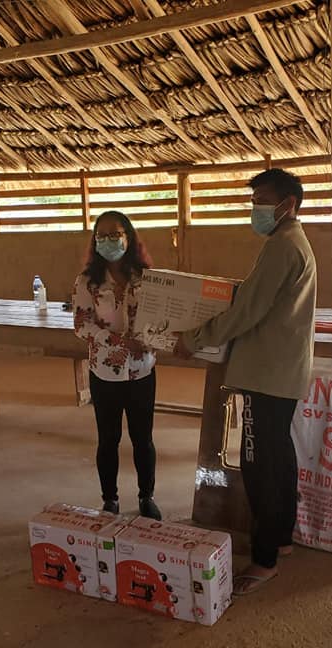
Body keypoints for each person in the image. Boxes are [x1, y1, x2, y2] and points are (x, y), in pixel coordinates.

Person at [174, 168, 317, 595]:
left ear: (288, 204)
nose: (256, 209)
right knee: (279, 456)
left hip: (267, 374)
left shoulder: (282, 248)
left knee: (258, 465)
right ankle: (282, 539)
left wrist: (196, 339)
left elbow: (246, 312)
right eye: (253, 201)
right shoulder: (293, 244)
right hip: (282, 371)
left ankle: (264, 558)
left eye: (262, 201)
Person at [73, 211, 162, 520]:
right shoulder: (88, 282)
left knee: (143, 439)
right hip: (104, 373)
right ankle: (110, 500)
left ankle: (146, 496)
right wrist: (118, 342)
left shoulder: (148, 277)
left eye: (116, 234)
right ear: (95, 241)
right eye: (103, 236)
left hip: (142, 371)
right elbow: (82, 324)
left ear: (129, 237)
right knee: (108, 440)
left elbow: (162, 319)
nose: (110, 241)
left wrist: (156, 338)